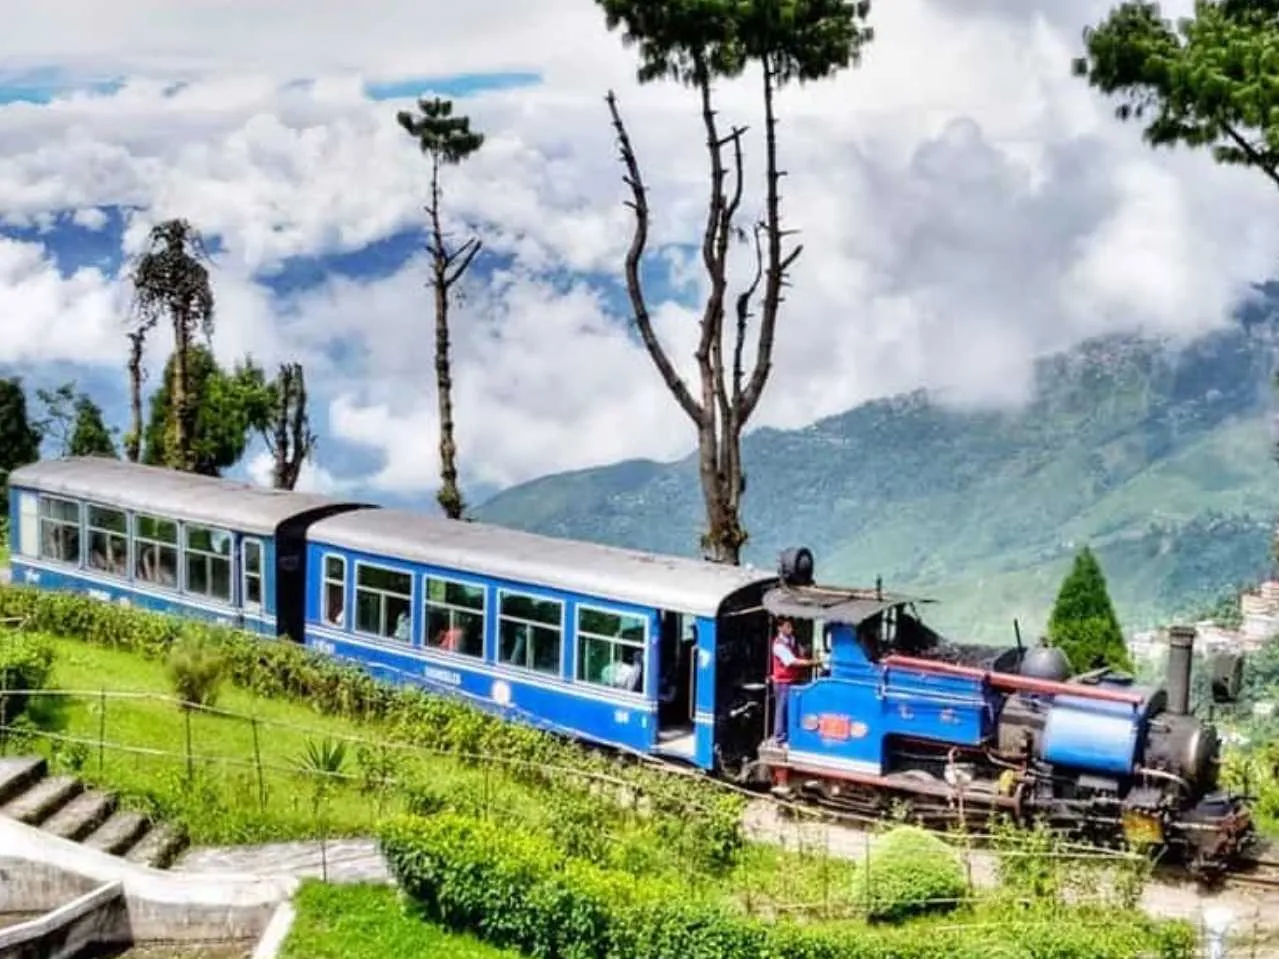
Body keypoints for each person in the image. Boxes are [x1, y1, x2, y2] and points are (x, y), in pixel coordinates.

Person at [770, 617, 815, 745]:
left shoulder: (792, 640)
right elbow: (791, 661)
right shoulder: (778, 645)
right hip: (782, 682)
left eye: (790, 626)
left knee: (791, 708)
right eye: (787, 626)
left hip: (793, 679)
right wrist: (809, 663)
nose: (790, 628)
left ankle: (791, 734)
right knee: (782, 709)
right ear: (780, 628)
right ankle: (779, 737)